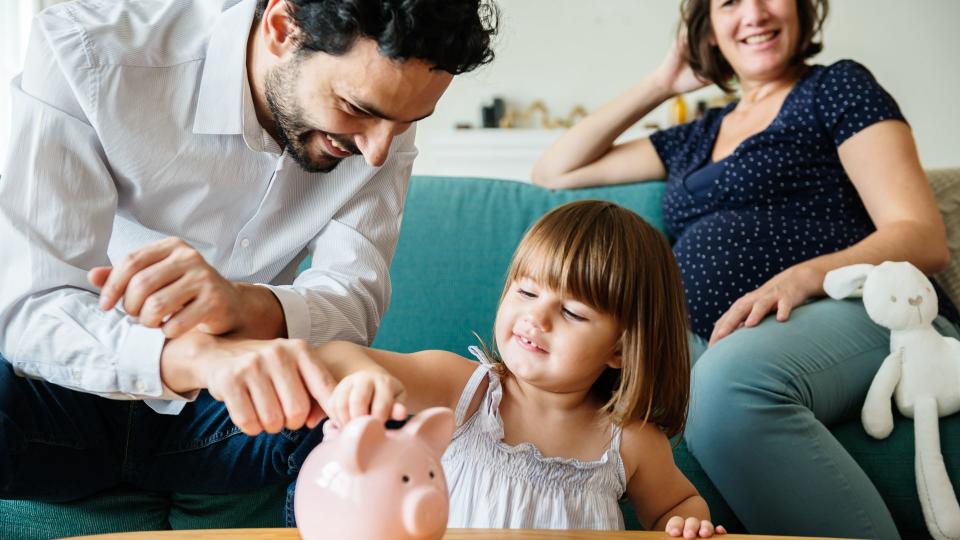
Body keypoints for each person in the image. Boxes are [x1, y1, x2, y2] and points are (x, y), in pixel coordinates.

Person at [0, 0, 497, 523]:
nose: (377, 152)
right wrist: (201, 358)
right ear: (283, 28)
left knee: (368, 433)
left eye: (406, 123)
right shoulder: (89, 51)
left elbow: (353, 305)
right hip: (69, 397)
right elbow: (29, 305)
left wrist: (243, 304)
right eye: (357, 109)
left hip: (232, 415)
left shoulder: (384, 115)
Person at [531, 0, 960, 538]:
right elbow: (554, 170)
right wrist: (663, 81)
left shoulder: (837, 88)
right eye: (729, 3)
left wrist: (799, 279)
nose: (754, 13)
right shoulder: (698, 133)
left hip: (858, 308)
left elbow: (922, 236)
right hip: (723, 333)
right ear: (707, 27)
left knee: (727, 388)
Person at [314, 200, 726, 537]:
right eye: (526, 291)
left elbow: (676, 505)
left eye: (572, 312)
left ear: (620, 349)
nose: (536, 317)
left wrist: (687, 524)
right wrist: (366, 379)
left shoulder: (629, 440)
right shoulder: (463, 389)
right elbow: (335, 357)